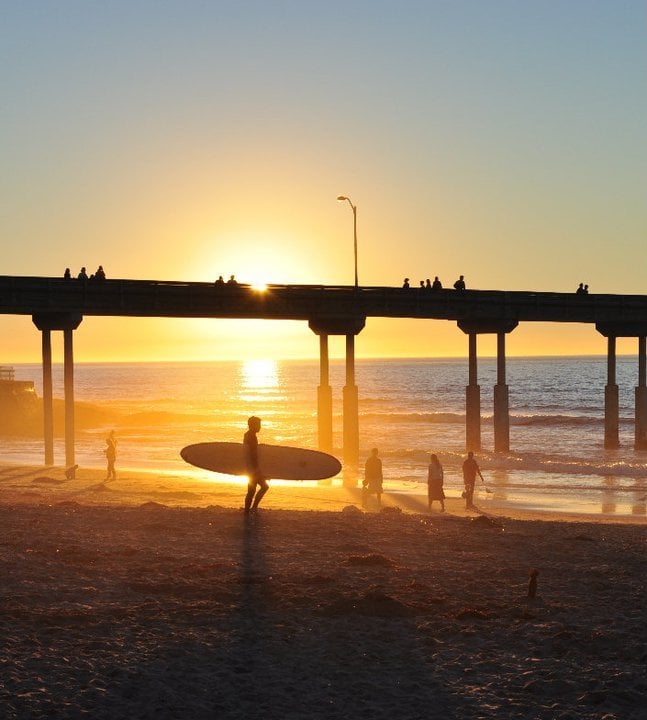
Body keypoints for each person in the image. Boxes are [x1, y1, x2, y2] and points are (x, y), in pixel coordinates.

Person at [243, 416, 269, 514]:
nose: (260, 427)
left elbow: (251, 451)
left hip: (249, 467)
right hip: (252, 468)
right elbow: (253, 453)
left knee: (252, 490)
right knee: (263, 487)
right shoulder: (252, 436)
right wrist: (257, 469)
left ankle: (248, 510)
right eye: (258, 425)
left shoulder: (248, 435)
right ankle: (252, 509)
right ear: (252, 425)